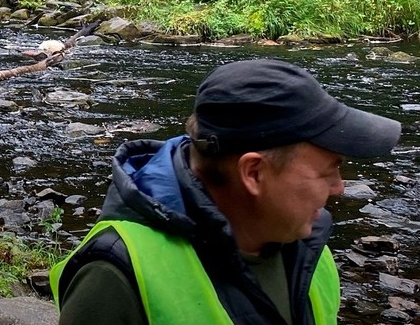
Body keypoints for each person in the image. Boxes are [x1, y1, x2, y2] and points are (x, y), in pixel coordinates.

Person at [51, 58, 402, 325]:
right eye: (330, 170)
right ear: (253, 173)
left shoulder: (309, 249)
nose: (339, 188)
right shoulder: (115, 276)